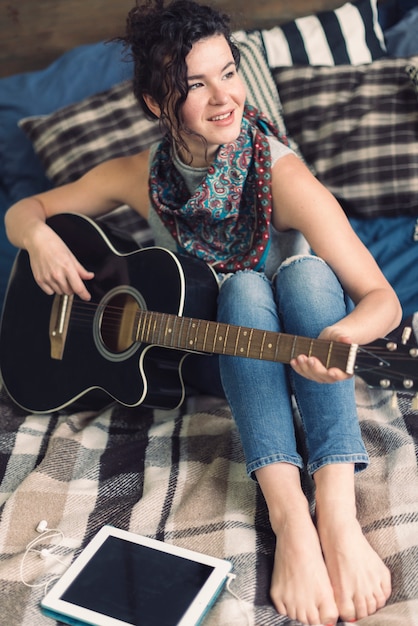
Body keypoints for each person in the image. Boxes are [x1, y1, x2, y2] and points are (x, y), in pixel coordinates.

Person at [4, 1, 402, 624]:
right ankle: (288, 516)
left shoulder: (282, 173)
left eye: (228, 72)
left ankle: (336, 507)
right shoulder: (141, 176)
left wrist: (340, 335)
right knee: (242, 290)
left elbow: (383, 300)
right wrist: (40, 238)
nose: (224, 97)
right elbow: (25, 210)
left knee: (303, 272)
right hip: (214, 359)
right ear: (156, 103)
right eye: (194, 84)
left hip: (303, 346)